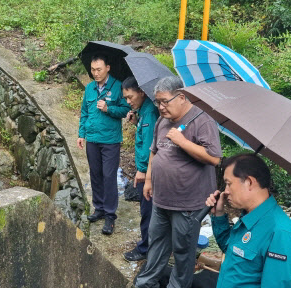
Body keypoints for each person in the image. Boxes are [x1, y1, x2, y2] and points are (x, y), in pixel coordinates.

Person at [135, 76, 222, 288]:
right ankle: (146, 283)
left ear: (181, 97)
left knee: (183, 251)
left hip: (187, 204)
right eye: (157, 102)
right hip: (161, 199)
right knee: (156, 244)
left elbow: (214, 158)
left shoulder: (203, 121)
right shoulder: (162, 121)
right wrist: (148, 180)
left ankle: (178, 286)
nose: (161, 107)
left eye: (165, 101)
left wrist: (182, 142)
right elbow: (154, 152)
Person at [205, 154, 291, 287]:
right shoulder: (250, 216)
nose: (225, 191)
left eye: (228, 184)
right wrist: (219, 215)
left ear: (249, 182)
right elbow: (231, 250)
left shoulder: (279, 232)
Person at [77, 54, 130, 235]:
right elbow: (84, 111)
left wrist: (109, 109)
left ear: (107, 67)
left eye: (99, 69)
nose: (95, 73)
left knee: (109, 177)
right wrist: (81, 134)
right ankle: (98, 208)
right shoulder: (90, 88)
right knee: (96, 174)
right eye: (93, 70)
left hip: (110, 140)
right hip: (92, 138)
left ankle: (110, 215)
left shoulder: (118, 86)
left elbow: (125, 110)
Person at [121, 77, 159, 261]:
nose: (128, 101)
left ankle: (145, 248)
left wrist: (143, 170)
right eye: (126, 98)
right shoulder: (144, 111)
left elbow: (150, 145)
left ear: (142, 92)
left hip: (149, 171)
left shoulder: (150, 112)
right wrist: (136, 121)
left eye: (130, 97)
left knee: (148, 211)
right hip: (147, 169)